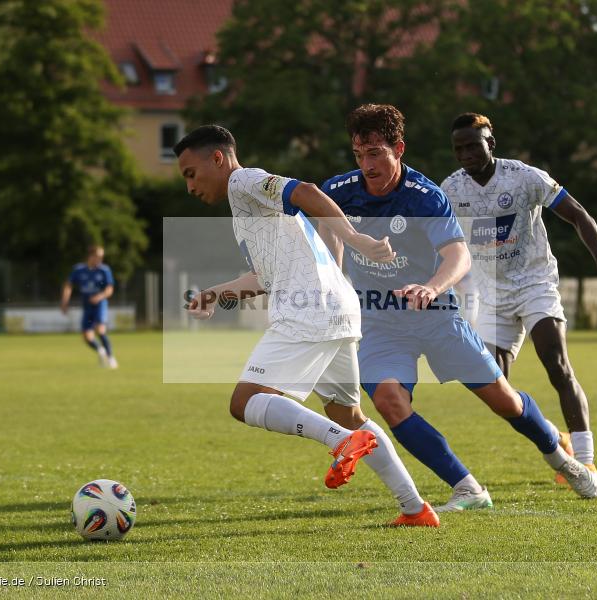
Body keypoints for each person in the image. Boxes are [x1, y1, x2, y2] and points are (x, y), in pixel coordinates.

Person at [320, 104, 597, 510]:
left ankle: (560, 455)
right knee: (388, 402)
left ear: (398, 149)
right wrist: (334, 274)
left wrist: (431, 288)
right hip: (379, 320)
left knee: (503, 400)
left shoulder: (425, 196)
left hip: (435, 315)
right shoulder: (340, 189)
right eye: (359, 154)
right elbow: (321, 221)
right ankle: (467, 487)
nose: (367, 164)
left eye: (376, 153)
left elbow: (458, 257)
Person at [173, 124, 439, 527]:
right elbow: (264, 277)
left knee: (243, 402)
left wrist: (355, 239)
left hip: (309, 309)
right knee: (349, 414)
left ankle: (341, 442)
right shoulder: (247, 210)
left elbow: (308, 192)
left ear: (218, 158)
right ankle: (415, 508)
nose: (190, 186)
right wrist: (215, 294)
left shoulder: (243, 180)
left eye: (191, 173)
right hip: (336, 307)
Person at [441, 112, 597, 487]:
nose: (465, 154)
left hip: (534, 283)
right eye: (459, 149)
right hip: (490, 295)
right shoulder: (450, 190)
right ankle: (555, 436)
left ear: (490, 143)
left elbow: (579, 216)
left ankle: (586, 462)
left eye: (473, 146)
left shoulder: (525, 177)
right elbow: (439, 241)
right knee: (496, 389)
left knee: (556, 365)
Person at [61, 245, 118, 369]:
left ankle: (111, 358)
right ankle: (100, 350)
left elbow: (109, 289)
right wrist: (65, 301)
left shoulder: (104, 270)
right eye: (98, 256)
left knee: (100, 330)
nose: (100, 259)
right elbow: (68, 285)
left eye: (102, 257)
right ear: (91, 256)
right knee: (87, 337)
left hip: (100, 305)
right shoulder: (78, 270)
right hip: (87, 306)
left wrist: (100, 296)